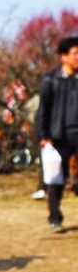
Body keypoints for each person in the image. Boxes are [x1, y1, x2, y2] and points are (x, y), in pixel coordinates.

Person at [35, 34, 78, 232]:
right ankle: (55, 217)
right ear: (63, 56)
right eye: (75, 53)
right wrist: (43, 135)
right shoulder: (51, 80)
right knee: (56, 180)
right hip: (58, 137)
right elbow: (43, 109)